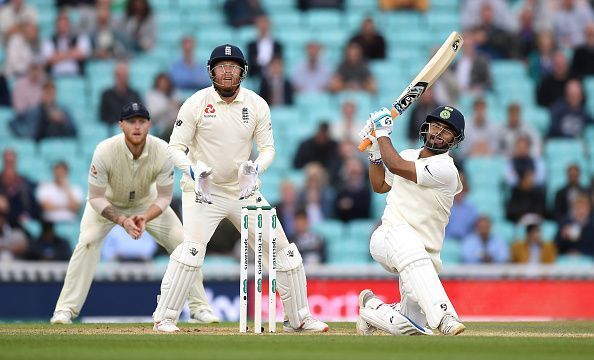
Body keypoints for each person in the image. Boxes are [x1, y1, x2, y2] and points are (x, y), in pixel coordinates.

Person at [153, 44, 329, 333]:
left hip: (242, 190)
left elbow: (269, 149)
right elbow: (175, 148)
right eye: (221, 66)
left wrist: (255, 169)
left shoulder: (257, 104)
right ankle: (165, 318)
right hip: (202, 190)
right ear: (211, 71)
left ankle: (298, 318)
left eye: (232, 67)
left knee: (283, 249)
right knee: (192, 250)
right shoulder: (195, 103)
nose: (226, 72)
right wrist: (194, 170)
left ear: (242, 72)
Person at [50, 102, 217, 325]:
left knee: (183, 242)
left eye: (141, 121)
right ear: (121, 125)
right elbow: (95, 197)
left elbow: (165, 197)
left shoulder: (162, 151)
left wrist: (145, 217)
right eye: (131, 121)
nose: (136, 127)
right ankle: (65, 310)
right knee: (87, 242)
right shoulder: (105, 150)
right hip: (107, 203)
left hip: (146, 203)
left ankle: (199, 308)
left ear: (148, 124)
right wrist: (122, 220)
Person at [356, 105, 466, 336]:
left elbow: (395, 165)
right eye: (436, 125)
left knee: (410, 327)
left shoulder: (446, 170)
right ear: (426, 127)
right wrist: (374, 153)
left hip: (424, 259)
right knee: (404, 236)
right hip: (387, 238)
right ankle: (445, 316)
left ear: (454, 140)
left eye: (446, 131)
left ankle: (372, 309)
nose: (438, 132)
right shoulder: (406, 155)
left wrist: (381, 134)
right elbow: (380, 186)